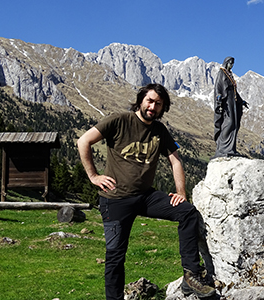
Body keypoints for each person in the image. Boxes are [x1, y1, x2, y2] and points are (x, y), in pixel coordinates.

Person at [77, 83, 215, 300]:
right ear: (141, 100)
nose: (153, 106)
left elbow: (175, 158)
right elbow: (83, 140)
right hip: (115, 200)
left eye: (158, 104)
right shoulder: (120, 120)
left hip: (145, 196)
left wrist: (181, 193)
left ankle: (191, 277)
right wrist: (94, 176)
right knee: (115, 256)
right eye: (150, 101)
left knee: (187, 212)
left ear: (162, 108)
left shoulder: (160, 131)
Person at [213, 56, 248, 158]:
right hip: (226, 101)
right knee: (229, 122)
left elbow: (235, 91)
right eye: (230, 63)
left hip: (233, 101)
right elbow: (218, 87)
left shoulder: (230, 75)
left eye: (233, 64)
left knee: (235, 124)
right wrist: (219, 97)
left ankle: (231, 148)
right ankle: (222, 147)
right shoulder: (221, 73)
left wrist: (241, 101)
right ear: (226, 63)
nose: (232, 65)